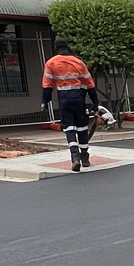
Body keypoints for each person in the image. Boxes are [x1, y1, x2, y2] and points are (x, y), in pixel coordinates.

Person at [41, 39, 99, 171]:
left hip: (64, 99)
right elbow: (90, 83)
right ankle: (84, 157)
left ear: (56, 48)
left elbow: (47, 84)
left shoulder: (51, 63)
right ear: (68, 47)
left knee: (69, 128)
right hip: (79, 98)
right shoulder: (78, 62)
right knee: (82, 128)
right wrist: (95, 102)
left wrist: (45, 101)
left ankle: (75, 157)